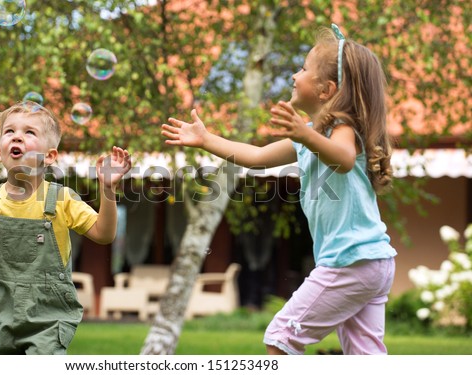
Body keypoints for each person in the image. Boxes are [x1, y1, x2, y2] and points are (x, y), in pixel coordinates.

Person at [161, 24, 396, 355]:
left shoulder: (343, 129)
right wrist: (206, 140)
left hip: (352, 260)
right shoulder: (311, 137)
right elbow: (256, 158)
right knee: (365, 355)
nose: (294, 75)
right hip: (370, 263)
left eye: (302, 68)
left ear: (326, 89)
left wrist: (306, 135)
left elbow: (342, 159)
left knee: (281, 337)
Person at [0, 101, 131, 354]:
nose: (17, 136)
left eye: (29, 132)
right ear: (0, 152)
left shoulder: (62, 199)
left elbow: (105, 235)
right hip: (1, 321)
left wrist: (107, 189)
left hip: (49, 322)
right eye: (10, 131)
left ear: (50, 156)